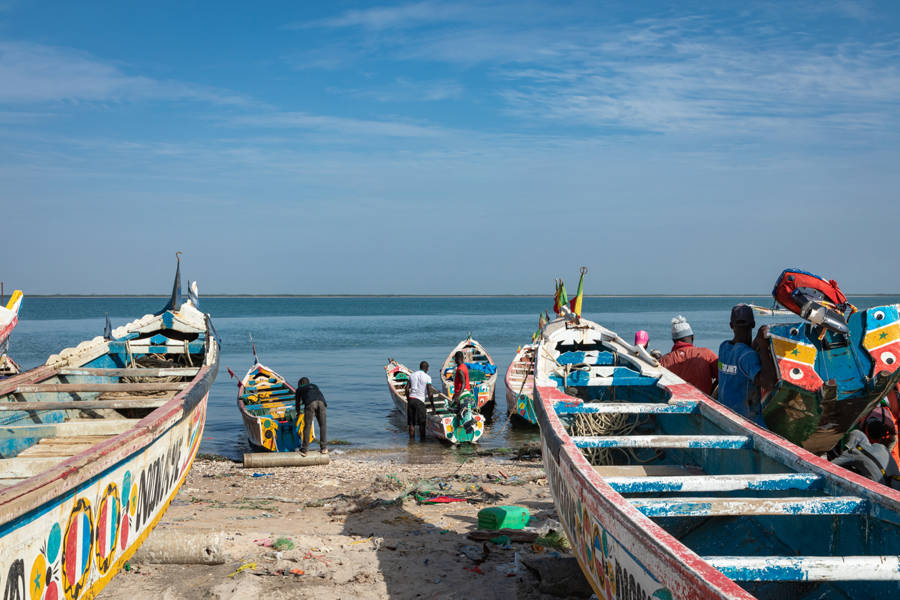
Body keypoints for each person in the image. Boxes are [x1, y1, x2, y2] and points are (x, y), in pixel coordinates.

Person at [717, 304, 766, 423]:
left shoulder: (724, 348)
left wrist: (756, 342)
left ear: (731, 325)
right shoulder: (748, 355)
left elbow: (742, 356)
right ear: (753, 324)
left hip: (726, 415)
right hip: (748, 420)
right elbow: (766, 382)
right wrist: (764, 347)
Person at [660, 315, 718, 395]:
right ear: (692, 337)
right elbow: (723, 374)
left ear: (674, 340)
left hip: (676, 403)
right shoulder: (706, 354)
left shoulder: (664, 360)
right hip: (703, 402)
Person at [295, 376, 327, 456]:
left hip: (310, 403)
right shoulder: (314, 386)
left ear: (300, 384)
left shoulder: (299, 389)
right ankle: (323, 448)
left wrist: (298, 413)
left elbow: (297, 403)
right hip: (322, 402)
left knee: (307, 426)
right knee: (322, 425)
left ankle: (304, 449)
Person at [405, 361, 436, 441]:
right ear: (426, 368)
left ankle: (411, 443)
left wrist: (408, 399)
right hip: (420, 401)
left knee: (411, 424)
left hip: (411, 400)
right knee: (422, 424)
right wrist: (433, 406)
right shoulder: (427, 377)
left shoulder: (412, 375)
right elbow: (430, 393)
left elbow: (406, 388)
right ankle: (422, 443)